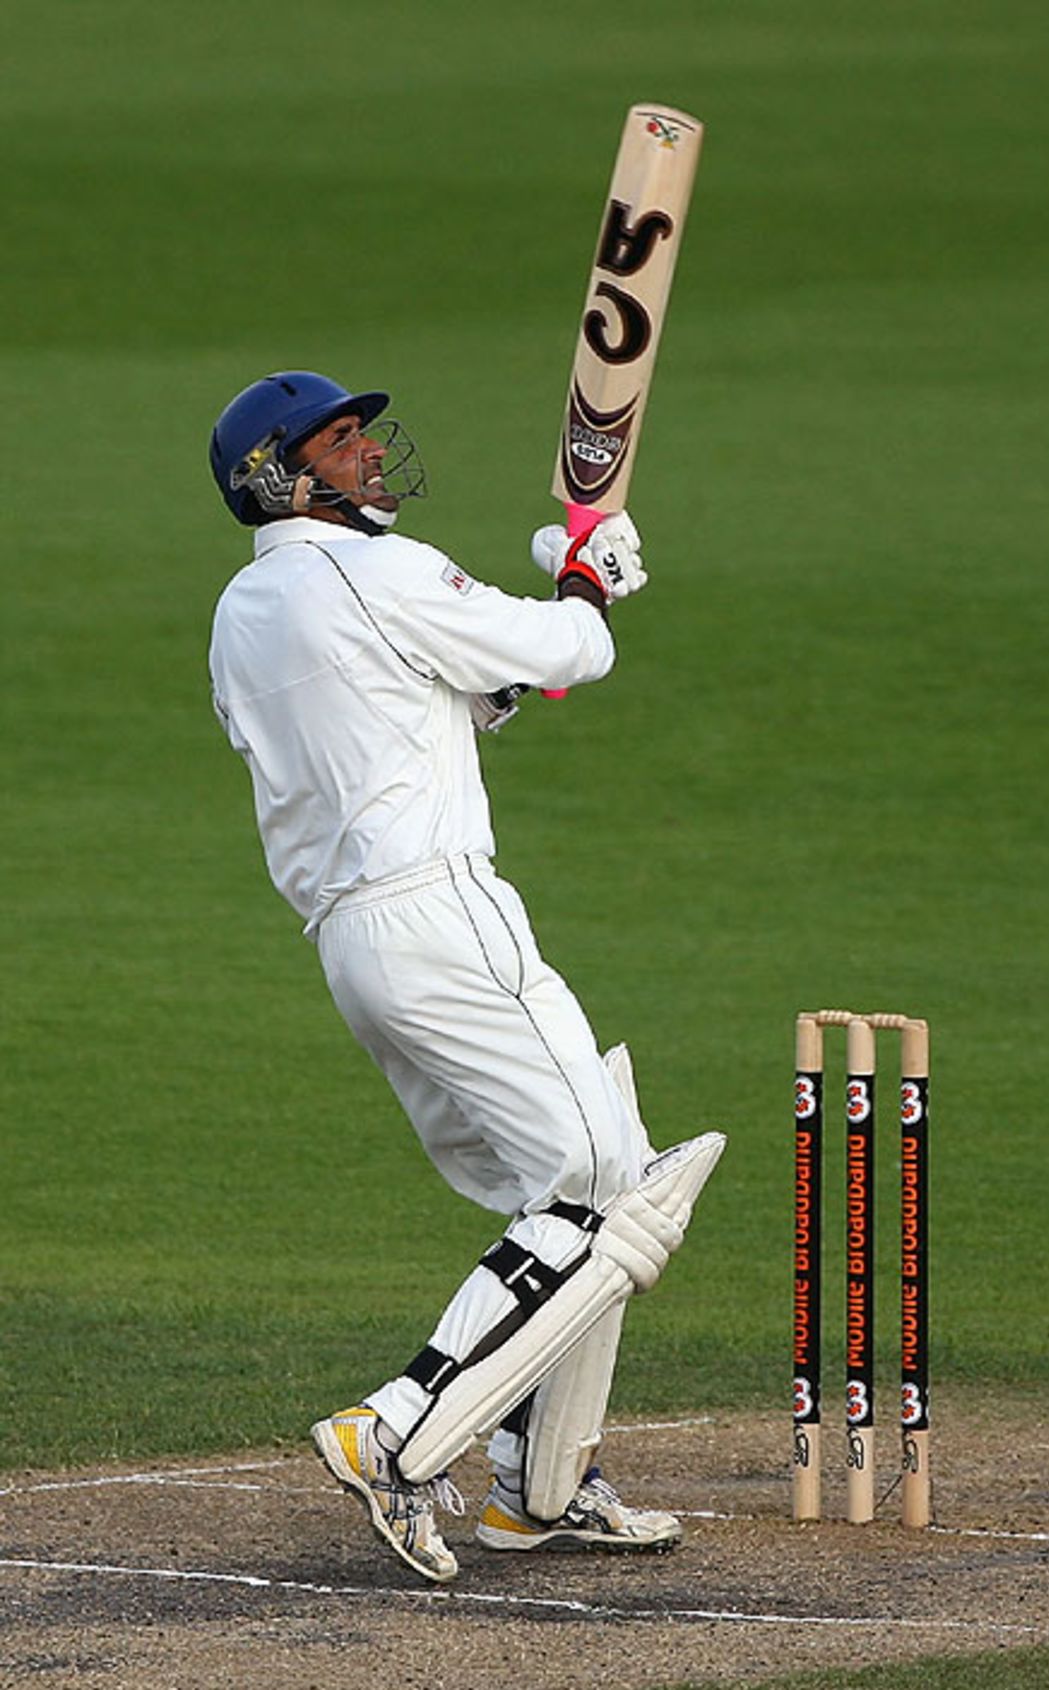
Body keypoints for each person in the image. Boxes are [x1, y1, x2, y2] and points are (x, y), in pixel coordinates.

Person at [207, 371, 724, 1583]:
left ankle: (541, 1488)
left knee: (587, 1172)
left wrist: (548, 630)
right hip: (442, 912)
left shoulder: (247, 607)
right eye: (339, 443)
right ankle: (396, 1429)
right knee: (608, 1192)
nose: (369, 453)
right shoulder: (375, 571)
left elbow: (453, 698)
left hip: (355, 943)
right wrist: (590, 579)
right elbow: (565, 653)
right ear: (280, 476)